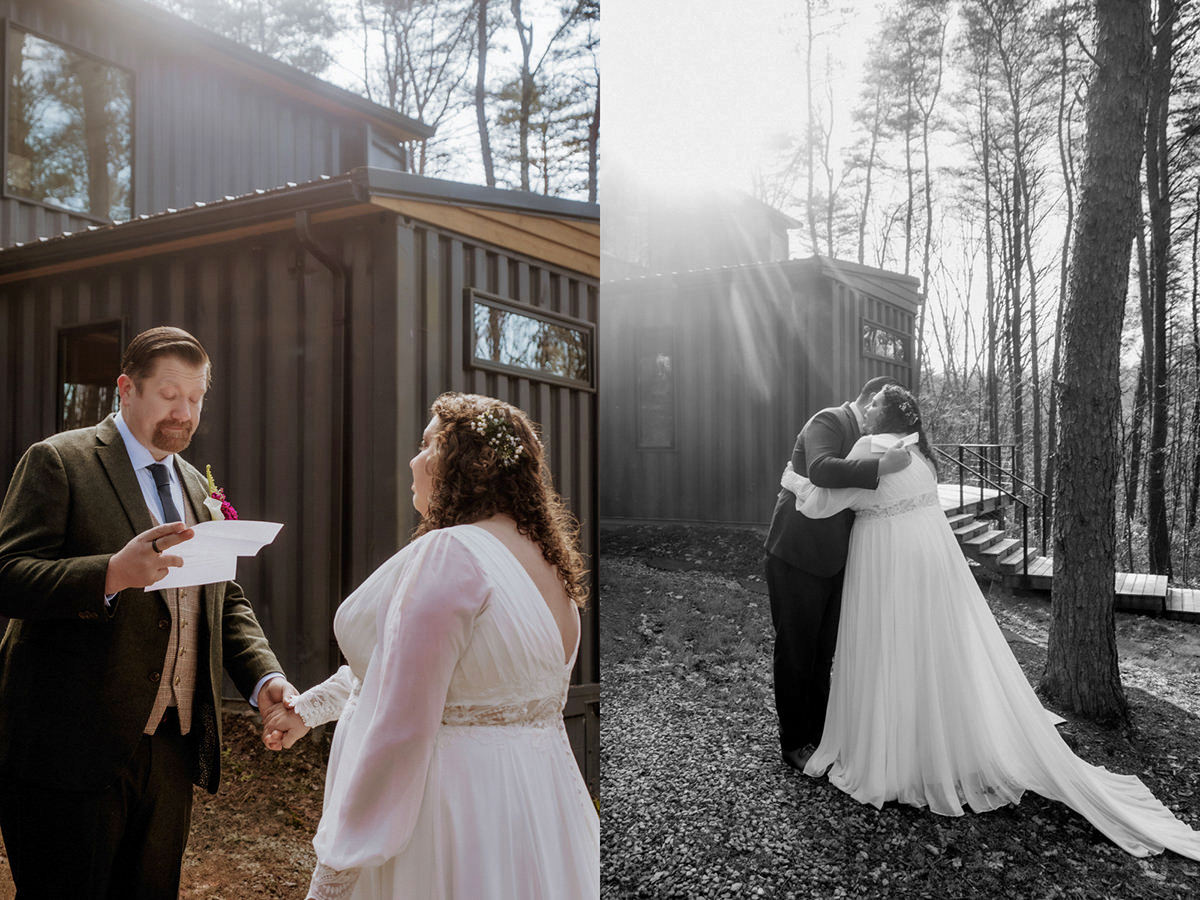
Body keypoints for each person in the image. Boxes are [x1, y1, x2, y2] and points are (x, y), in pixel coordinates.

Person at [782, 383, 1200, 860]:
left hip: (887, 563)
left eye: (875, 404)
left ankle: (891, 756)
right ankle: (930, 747)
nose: (868, 407)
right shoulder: (919, 457)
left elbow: (821, 503)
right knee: (926, 651)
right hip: (929, 565)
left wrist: (792, 481)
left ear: (886, 418)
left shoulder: (870, 449)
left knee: (889, 647)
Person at [263, 392, 600, 899]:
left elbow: (399, 724)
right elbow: (416, 672)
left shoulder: (451, 554)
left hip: (446, 820)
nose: (414, 460)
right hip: (534, 811)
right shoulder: (548, 565)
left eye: (427, 446)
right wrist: (308, 709)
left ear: (464, 465)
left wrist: (336, 870)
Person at [0, 325, 295, 898]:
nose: (184, 411)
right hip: (68, 750)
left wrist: (265, 678)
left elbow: (222, 596)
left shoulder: (194, 482)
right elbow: (8, 576)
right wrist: (110, 574)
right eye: (169, 394)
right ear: (125, 389)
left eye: (197, 397)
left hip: (171, 747)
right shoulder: (59, 462)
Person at [763, 375, 912, 771]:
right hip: (797, 555)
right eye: (876, 410)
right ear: (865, 402)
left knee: (823, 654)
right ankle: (793, 741)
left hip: (836, 560)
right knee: (796, 651)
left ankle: (819, 734)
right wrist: (882, 465)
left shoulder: (869, 435)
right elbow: (822, 469)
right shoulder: (827, 421)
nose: (876, 421)